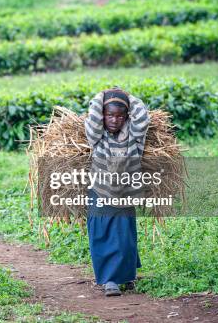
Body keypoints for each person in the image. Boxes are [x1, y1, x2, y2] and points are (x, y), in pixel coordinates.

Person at [84, 87, 150, 297]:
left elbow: (142, 116)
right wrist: (101, 96)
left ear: (127, 117)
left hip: (125, 193)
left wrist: (127, 96)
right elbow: (93, 118)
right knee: (102, 235)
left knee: (124, 237)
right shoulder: (97, 137)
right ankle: (110, 281)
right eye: (109, 115)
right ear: (102, 116)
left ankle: (128, 276)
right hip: (100, 191)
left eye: (120, 116)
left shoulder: (134, 136)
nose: (114, 120)